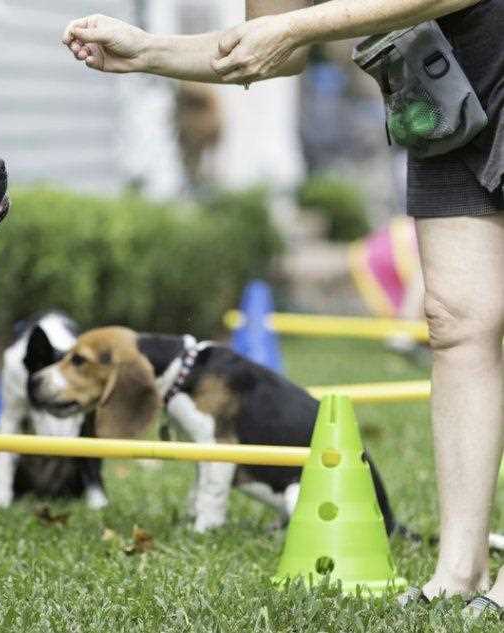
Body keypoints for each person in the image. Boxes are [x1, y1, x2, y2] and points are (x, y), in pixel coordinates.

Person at [62, 0, 504, 616]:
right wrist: (150, 52)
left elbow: (293, 30)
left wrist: (299, 24)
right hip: (445, 94)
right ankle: (462, 568)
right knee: (455, 323)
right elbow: (275, 47)